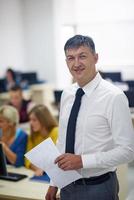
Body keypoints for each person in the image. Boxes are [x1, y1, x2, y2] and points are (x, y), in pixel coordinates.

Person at [45, 35, 134, 200]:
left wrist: (83, 161)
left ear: (96, 57)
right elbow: (62, 143)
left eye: (82, 56)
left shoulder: (114, 96)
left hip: (98, 187)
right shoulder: (67, 94)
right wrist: (54, 182)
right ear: (66, 62)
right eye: (71, 58)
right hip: (66, 186)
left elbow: (128, 151)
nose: (76, 63)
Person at [25, 104, 58, 176]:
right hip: (38, 173)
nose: (31, 123)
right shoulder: (33, 135)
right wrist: (37, 169)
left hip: (54, 175)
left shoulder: (56, 132)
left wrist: (42, 169)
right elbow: (27, 159)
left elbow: (55, 159)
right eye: (30, 120)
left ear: (43, 120)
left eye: (34, 120)